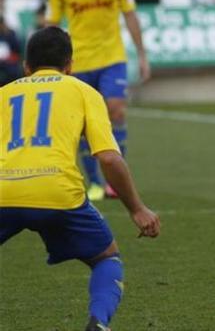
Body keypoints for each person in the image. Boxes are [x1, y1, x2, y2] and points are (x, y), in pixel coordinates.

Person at [0, 27, 160, 331]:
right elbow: (109, 158)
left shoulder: (3, 94)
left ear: (26, 66)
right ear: (70, 65)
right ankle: (98, 323)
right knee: (106, 259)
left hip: (3, 190)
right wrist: (137, 209)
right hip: (58, 193)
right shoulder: (83, 91)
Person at [46, 0, 151, 202]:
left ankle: (116, 181)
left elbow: (130, 15)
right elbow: (52, 23)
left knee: (116, 110)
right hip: (78, 61)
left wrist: (141, 54)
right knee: (81, 124)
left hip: (111, 56)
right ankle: (94, 182)